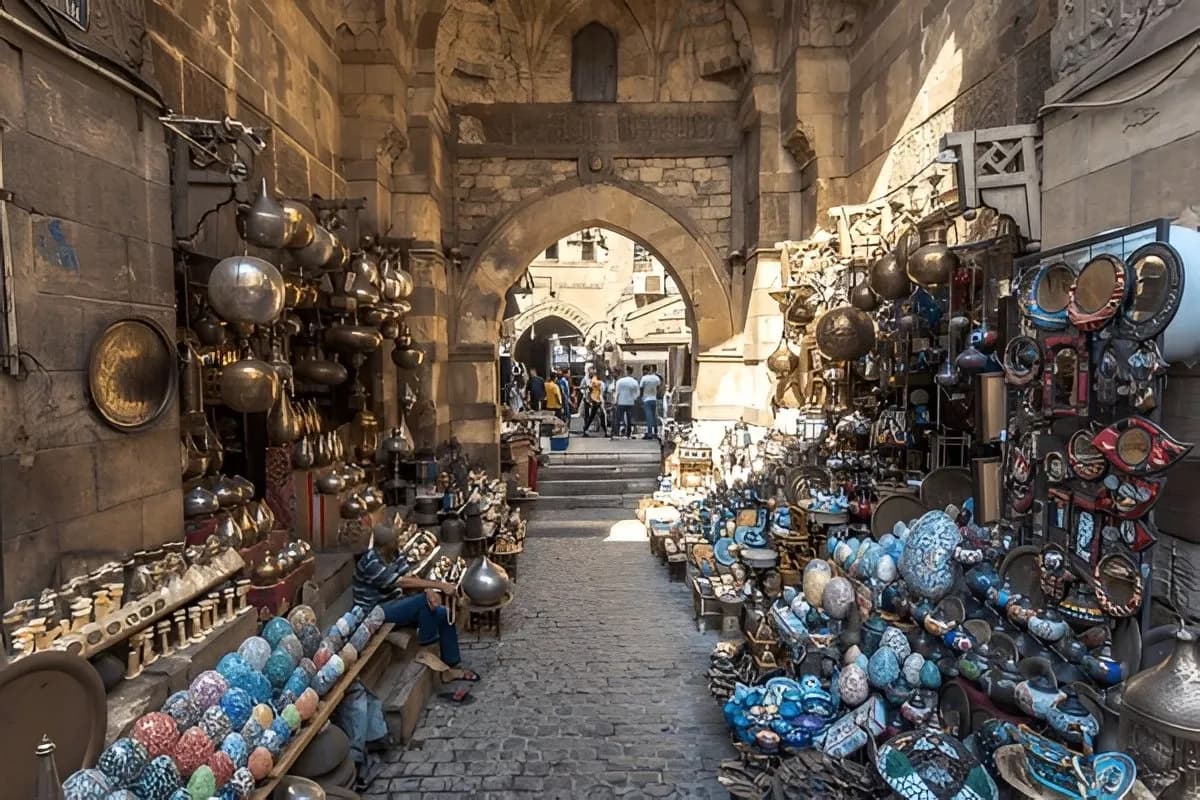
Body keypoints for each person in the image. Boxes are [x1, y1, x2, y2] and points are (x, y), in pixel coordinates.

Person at [353, 523, 478, 684]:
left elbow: (409, 575)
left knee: (443, 613)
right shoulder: (370, 563)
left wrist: (428, 590)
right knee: (423, 603)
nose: (398, 543)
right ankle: (427, 647)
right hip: (375, 612)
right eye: (394, 541)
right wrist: (439, 586)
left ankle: (452, 665)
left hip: (396, 604)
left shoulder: (392, 554)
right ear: (385, 546)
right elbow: (402, 582)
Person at [613, 365, 640, 439]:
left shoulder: (620, 381)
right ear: (632, 371)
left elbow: (617, 392)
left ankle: (616, 433)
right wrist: (633, 398)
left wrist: (615, 401)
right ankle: (628, 433)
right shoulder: (634, 382)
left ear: (626, 371)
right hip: (630, 402)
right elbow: (637, 393)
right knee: (629, 418)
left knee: (618, 418)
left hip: (621, 402)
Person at [640, 364, 663, 440]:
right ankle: (655, 432)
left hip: (646, 399)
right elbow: (659, 387)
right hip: (654, 399)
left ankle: (649, 433)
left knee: (649, 417)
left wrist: (641, 397)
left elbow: (641, 389)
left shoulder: (644, 378)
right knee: (654, 416)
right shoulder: (656, 378)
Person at [582, 368, 608, 437]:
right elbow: (591, 390)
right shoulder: (595, 381)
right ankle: (605, 432)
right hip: (597, 401)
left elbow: (591, 390)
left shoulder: (595, 381)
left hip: (596, 400)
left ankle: (585, 429)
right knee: (602, 415)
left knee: (592, 416)